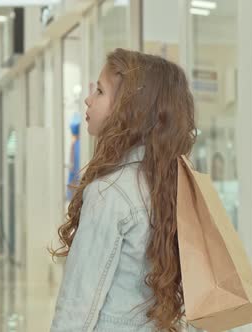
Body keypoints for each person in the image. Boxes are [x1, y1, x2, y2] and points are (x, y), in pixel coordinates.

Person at [50, 49, 196, 332]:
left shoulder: (109, 193)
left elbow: (78, 303)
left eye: (100, 91)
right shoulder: (172, 183)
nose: (88, 99)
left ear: (130, 110)